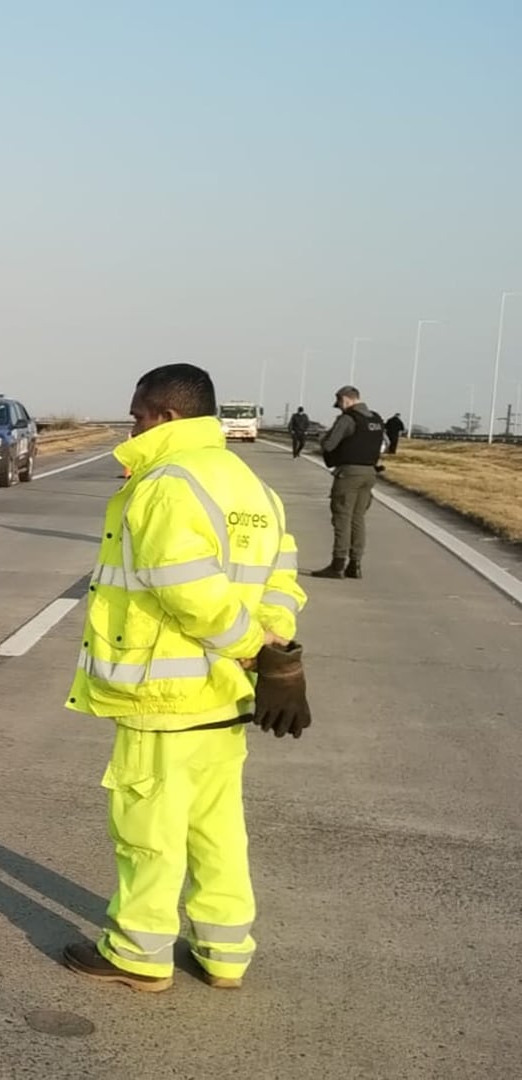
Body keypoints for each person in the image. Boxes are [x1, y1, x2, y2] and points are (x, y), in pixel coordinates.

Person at [62, 363, 311, 994]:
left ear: (169, 416)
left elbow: (187, 590)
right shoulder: (252, 487)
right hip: (224, 697)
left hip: (164, 694)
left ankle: (137, 953)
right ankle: (224, 953)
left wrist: (256, 651)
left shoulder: (167, 483)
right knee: (217, 831)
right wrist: (272, 649)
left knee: (148, 832)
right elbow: (281, 581)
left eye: (138, 415)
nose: (132, 425)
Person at [311, 386, 385, 580]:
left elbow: (329, 445)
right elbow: (384, 444)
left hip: (349, 474)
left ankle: (337, 565)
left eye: (340, 405)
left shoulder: (348, 419)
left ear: (345, 400)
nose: (340, 409)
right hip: (370, 473)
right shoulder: (375, 419)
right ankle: (355, 565)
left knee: (342, 518)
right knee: (357, 519)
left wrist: (323, 438)